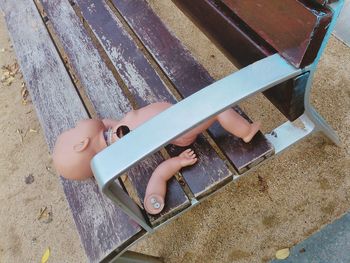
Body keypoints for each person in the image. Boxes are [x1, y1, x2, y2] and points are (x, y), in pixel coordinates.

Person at [53, 102, 260, 214]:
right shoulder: (122, 142)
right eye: (74, 129)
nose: (77, 123)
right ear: (81, 145)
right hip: (180, 127)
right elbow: (158, 172)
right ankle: (245, 131)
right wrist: (176, 163)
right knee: (218, 109)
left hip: (176, 117)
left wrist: (100, 132)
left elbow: (104, 123)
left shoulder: (110, 135)